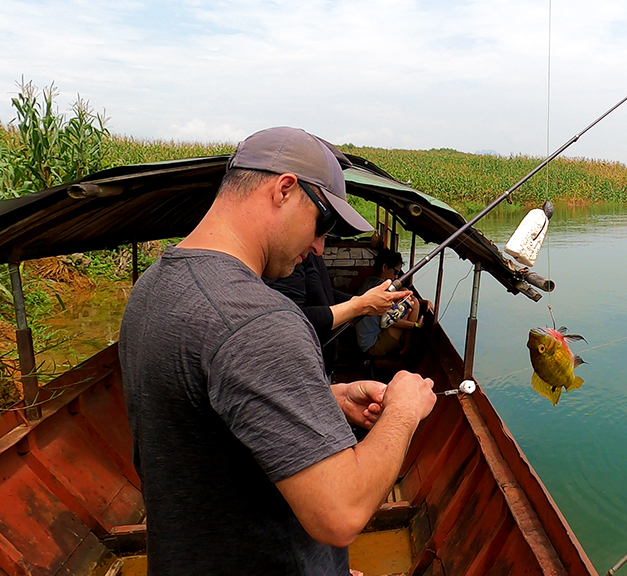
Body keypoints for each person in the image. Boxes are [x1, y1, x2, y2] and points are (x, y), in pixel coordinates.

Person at [119, 127, 436, 575]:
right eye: (323, 224)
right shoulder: (260, 320)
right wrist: (403, 410)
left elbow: (202, 424)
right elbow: (341, 513)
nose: (319, 247)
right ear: (284, 189)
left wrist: (326, 398)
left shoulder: (153, 289)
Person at [265, 252, 410, 377]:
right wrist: (361, 306)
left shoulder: (312, 255)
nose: (319, 248)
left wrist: (360, 301)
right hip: (307, 363)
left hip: (323, 360)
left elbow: (326, 293)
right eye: (319, 232)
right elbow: (292, 319)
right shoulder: (286, 263)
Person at [355, 249, 434, 357]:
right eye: (396, 272)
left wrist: (423, 302)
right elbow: (389, 320)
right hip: (373, 345)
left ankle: (405, 342)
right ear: (384, 267)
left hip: (363, 341)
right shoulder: (383, 289)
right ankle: (407, 346)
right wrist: (415, 326)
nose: (396, 276)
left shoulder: (369, 281)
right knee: (413, 302)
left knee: (409, 298)